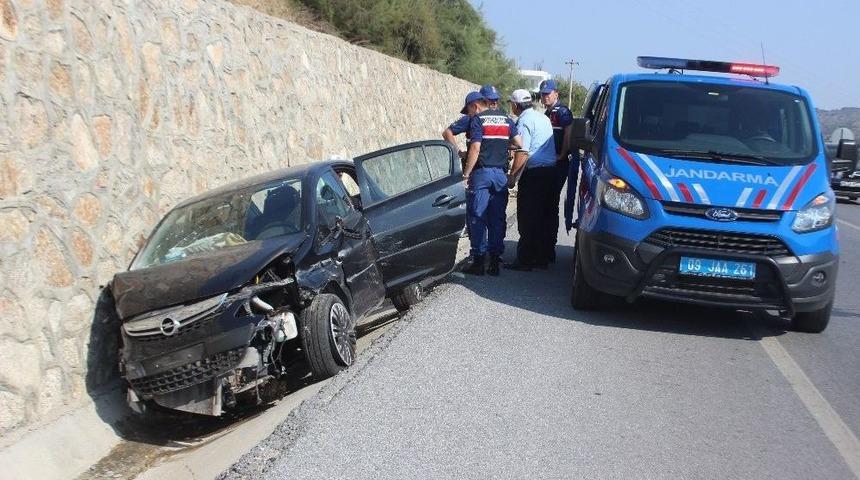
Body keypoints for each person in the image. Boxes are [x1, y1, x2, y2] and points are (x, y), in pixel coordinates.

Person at [462, 92, 521, 276]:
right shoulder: (506, 119)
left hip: (482, 174)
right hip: (500, 176)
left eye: (469, 110)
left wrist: (466, 174)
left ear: (475, 106)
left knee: (478, 216)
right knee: (497, 218)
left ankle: (478, 262)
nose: (469, 114)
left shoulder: (478, 120)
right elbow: (519, 143)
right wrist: (501, 147)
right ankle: (495, 261)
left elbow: (475, 148)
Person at [505, 89, 557, 271]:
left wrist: (513, 177)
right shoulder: (542, 117)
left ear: (516, 105)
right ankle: (543, 257)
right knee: (545, 215)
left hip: (534, 174)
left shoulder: (524, 121)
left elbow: (523, 152)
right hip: (550, 172)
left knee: (528, 216)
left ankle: (525, 259)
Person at [539, 79, 577, 259]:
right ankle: (545, 245)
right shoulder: (548, 112)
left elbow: (568, 132)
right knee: (546, 204)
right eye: (542, 94)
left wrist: (562, 154)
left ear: (556, 94)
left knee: (550, 204)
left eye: (548, 93)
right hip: (550, 163)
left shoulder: (561, 111)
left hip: (558, 164)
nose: (544, 97)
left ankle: (548, 248)